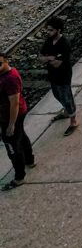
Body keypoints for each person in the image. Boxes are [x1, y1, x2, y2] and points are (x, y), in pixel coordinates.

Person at [0, 52, 34, 191]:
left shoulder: (11, 78)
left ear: (6, 61)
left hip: (12, 116)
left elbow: (14, 103)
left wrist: (11, 125)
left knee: (12, 146)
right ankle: (30, 160)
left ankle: (19, 177)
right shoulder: (4, 73)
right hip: (13, 113)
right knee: (21, 137)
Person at [40, 16, 78, 136]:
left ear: (59, 30)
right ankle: (67, 112)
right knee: (57, 95)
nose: (48, 32)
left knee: (67, 97)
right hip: (52, 75)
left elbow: (57, 64)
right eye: (48, 29)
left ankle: (73, 122)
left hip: (63, 75)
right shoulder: (49, 41)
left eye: (51, 30)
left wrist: (48, 59)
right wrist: (50, 58)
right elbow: (40, 58)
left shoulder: (64, 44)